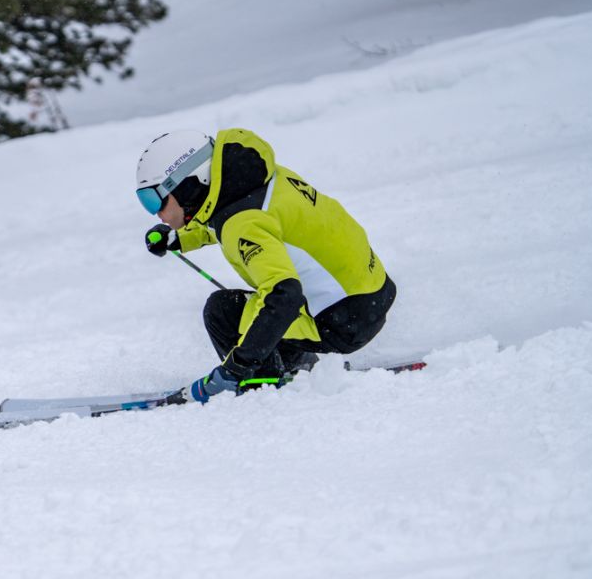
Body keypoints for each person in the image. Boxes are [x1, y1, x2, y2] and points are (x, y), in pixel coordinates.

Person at [135, 128, 396, 403]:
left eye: (154, 199)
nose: (156, 213)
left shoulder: (243, 223)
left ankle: (262, 385)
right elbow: (233, 221)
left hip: (342, 323)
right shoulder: (255, 180)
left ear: (188, 184)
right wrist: (179, 238)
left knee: (224, 312)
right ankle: (300, 365)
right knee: (260, 309)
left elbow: (284, 295)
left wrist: (237, 367)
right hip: (369, 294)